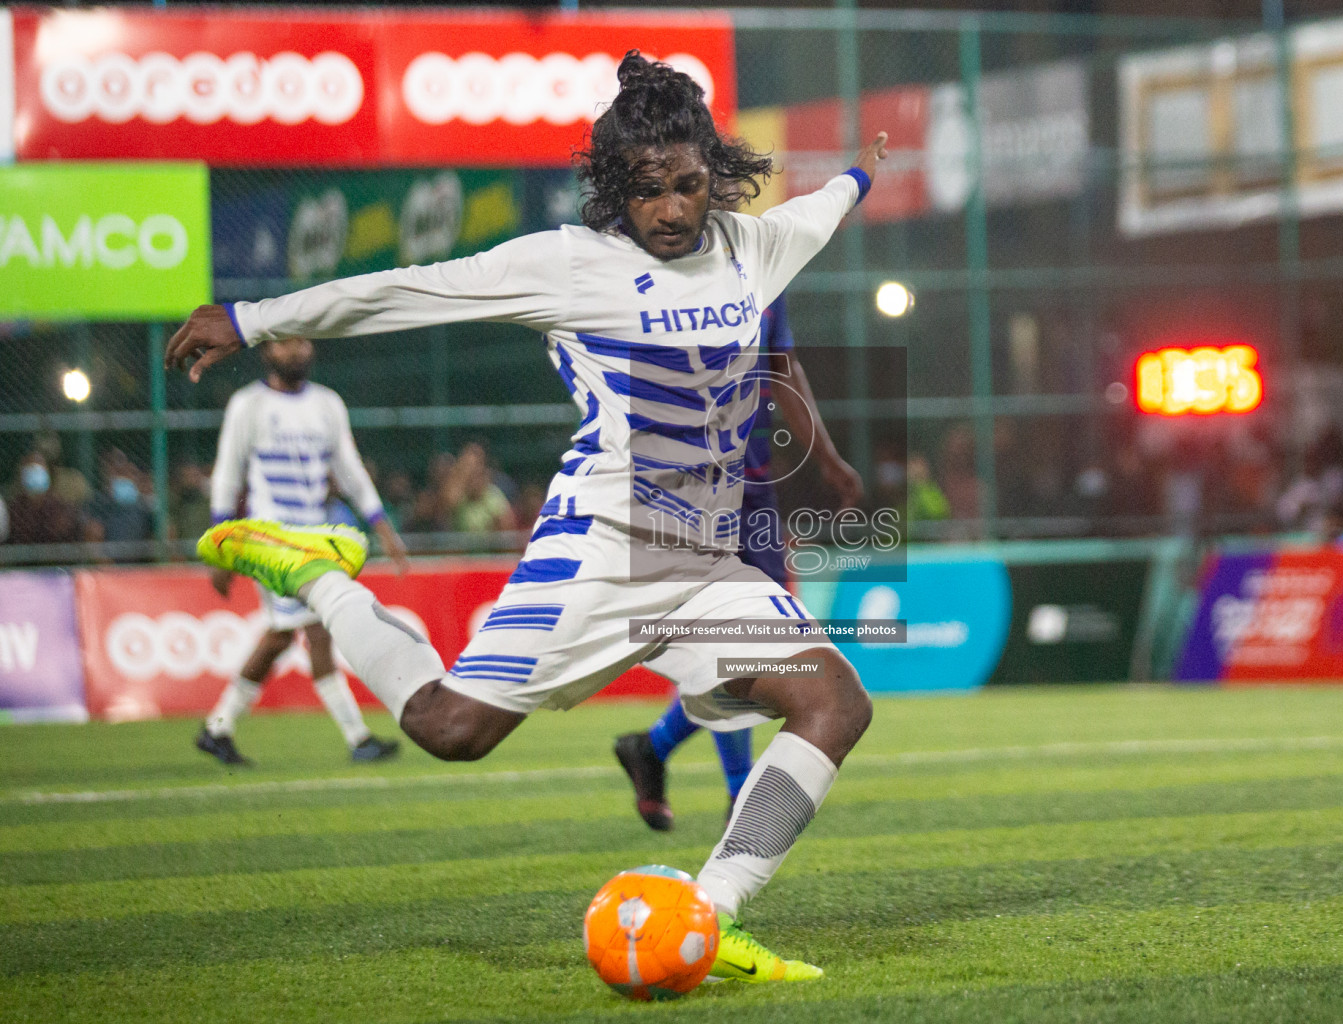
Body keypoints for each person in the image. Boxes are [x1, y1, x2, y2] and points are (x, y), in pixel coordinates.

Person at [168, 52, 886, 982]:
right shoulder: (568, 266)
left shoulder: (757, 248)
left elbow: (826, 203)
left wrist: (862, 172)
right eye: (645, 189)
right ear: (612, 187)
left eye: (687, 185)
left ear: (716, 173)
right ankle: (318, 574)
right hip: (605, 549)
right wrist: (253, 316)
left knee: (835, 702)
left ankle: (707, 917)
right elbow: (408, 290)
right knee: (446, 730)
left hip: (706, 566)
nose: (669, 209)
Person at [613, 293, 863, 830]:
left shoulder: (765, 278)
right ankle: (737, 794)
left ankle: (653, 748)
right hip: (688, 492)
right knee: (734, 641)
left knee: (769, 645)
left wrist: (827, 458)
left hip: (754, 492)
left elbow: (784, 372)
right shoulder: (663, 270)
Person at [196, 336, 409, 766]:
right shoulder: (249, 405)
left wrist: (381, 524)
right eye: (284, 344)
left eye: (301, 343)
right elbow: (228, 472)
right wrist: (221, 545)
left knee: (280, 636)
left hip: (314, 537)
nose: (295, 351)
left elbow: (348, 468)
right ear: (266, 352)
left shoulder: (327, 404)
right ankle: (358, 738)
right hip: (271, 538)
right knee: (315, 630)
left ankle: (217, 728)